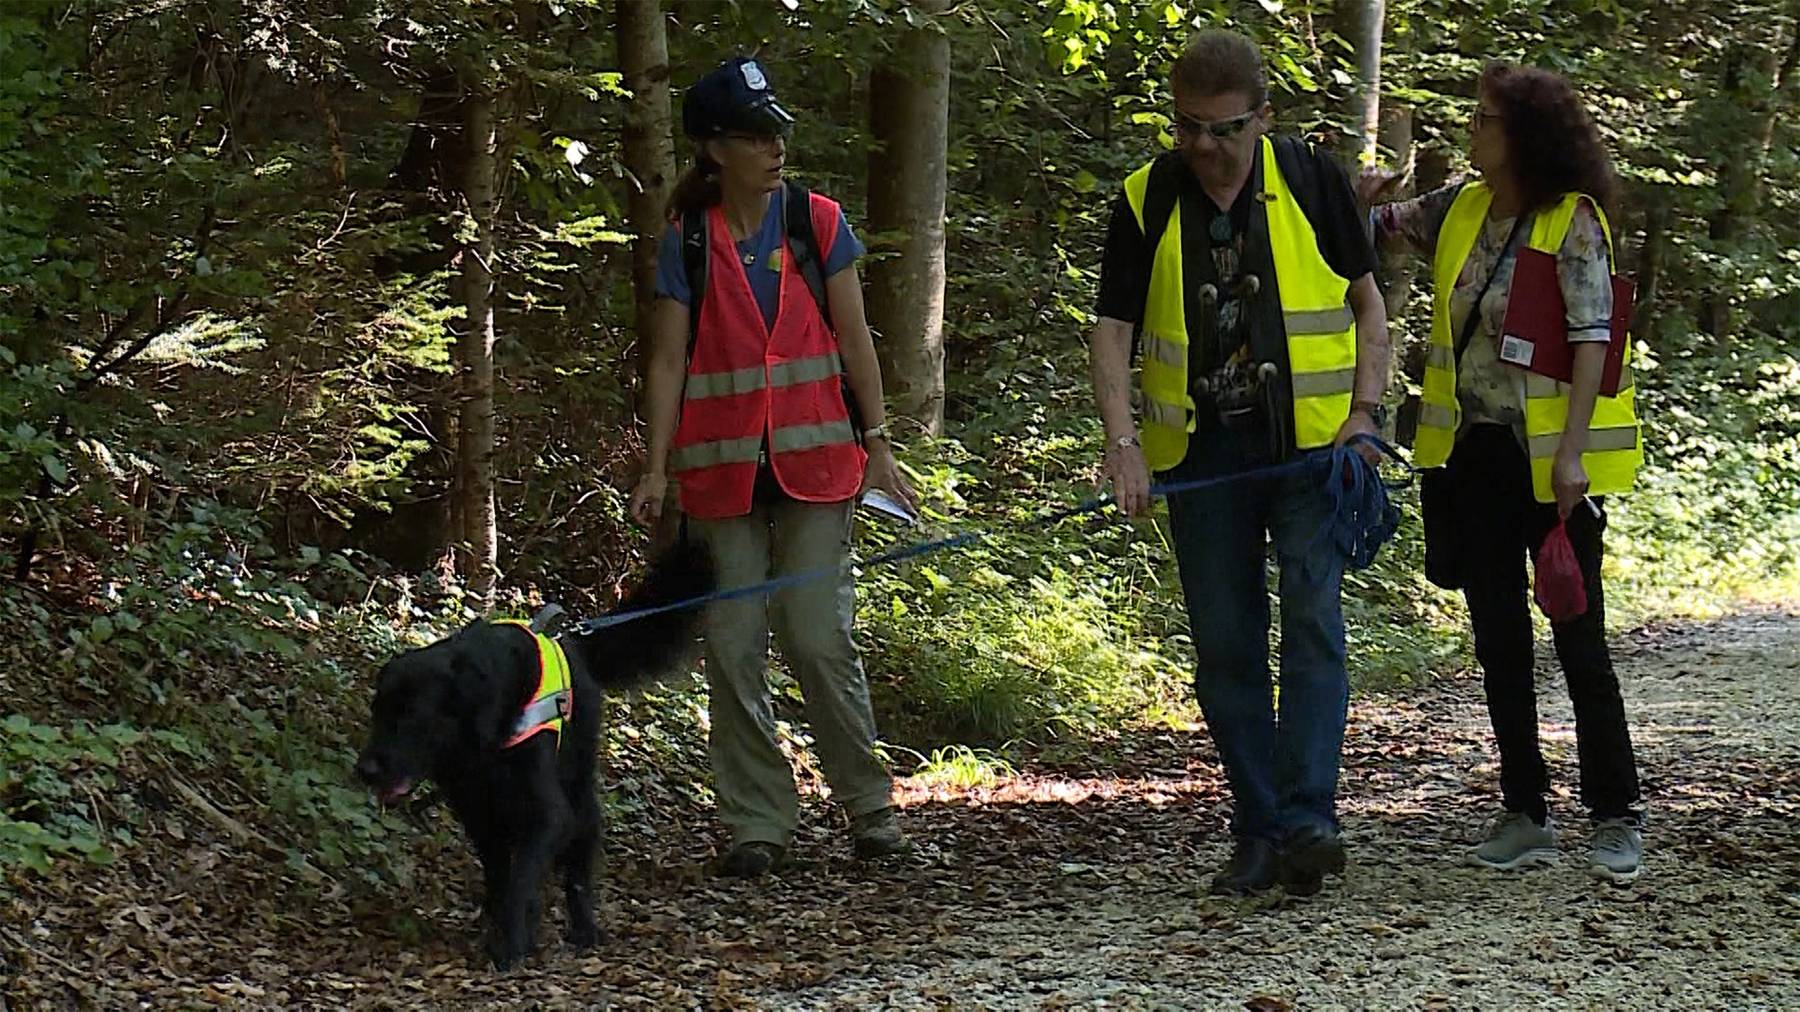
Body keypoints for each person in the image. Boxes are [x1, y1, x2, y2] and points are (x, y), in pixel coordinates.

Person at [1087, 29, 1390, 897]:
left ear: (1263, 117)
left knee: (1312, 622)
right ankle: (1257, 828)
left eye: (1222, 129)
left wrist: (1364, 416)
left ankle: (1310, 819)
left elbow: (1368, 308)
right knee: (1224, 648)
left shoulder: (1310, 179)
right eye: (1187, 127)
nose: (1204, 147)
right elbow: (1111, 332)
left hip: (1311, 452)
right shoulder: (1146, 200)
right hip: (1199, 457)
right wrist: (1123, 447)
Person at [628, 56, 918, 877]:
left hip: (818, 465)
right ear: (715, 150)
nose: (775, 145)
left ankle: (869, 809)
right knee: (731, 645)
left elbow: (856, 339)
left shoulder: (816, 222)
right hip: (720, 475)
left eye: (777, 129)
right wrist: (655, 469)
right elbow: (668, 360)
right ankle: (758, 823)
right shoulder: (686, 236)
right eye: (756, 135)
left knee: (820, 637)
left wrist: (880, 444)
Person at [1360, 62, 1646, 882]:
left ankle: (1616, 813)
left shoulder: (1572, 221)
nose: (1471, 130)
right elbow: (1379, 225)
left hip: (1550, 462)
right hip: (1472, 454)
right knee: (1498, 640)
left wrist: (1570, 454)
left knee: (1578, 638)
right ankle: (1526, 809)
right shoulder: (1460, 208)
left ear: (1523, 134)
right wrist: (1356, 189)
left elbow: (1594, 337)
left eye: (1483, 119)